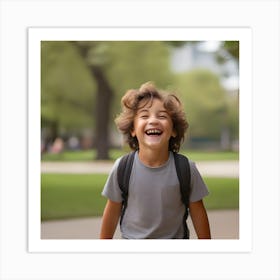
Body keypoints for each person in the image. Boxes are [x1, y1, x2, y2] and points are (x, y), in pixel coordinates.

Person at [100, 82, 211, 239]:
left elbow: (199, 215)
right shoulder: (122, 168)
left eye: (162, 116)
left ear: (173, 130)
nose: (153, 120)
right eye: (144, 116)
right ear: (132, 129)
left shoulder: (186, 169)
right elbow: (111, 214)